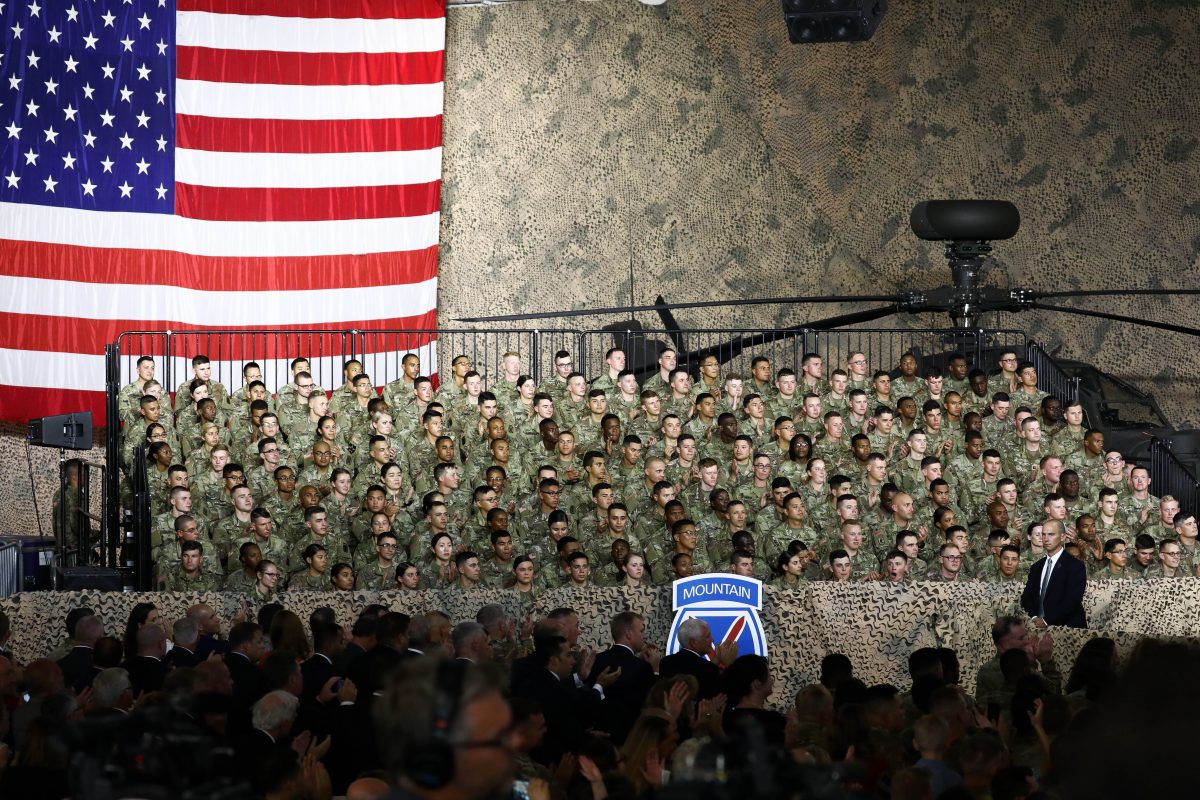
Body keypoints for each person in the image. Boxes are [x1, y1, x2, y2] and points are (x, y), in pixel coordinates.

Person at [1021, 519, 1088, 628]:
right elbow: (1027, 597)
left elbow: (1072, 600)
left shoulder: (1075, 566)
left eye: (1051, 534)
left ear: (1062, 537)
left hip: (1068, 629)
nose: (1046, 539)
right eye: (1043, 535)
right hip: (1037, 628)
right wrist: (1034, 618)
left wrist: (1046, 621)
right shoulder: (1036, 567)